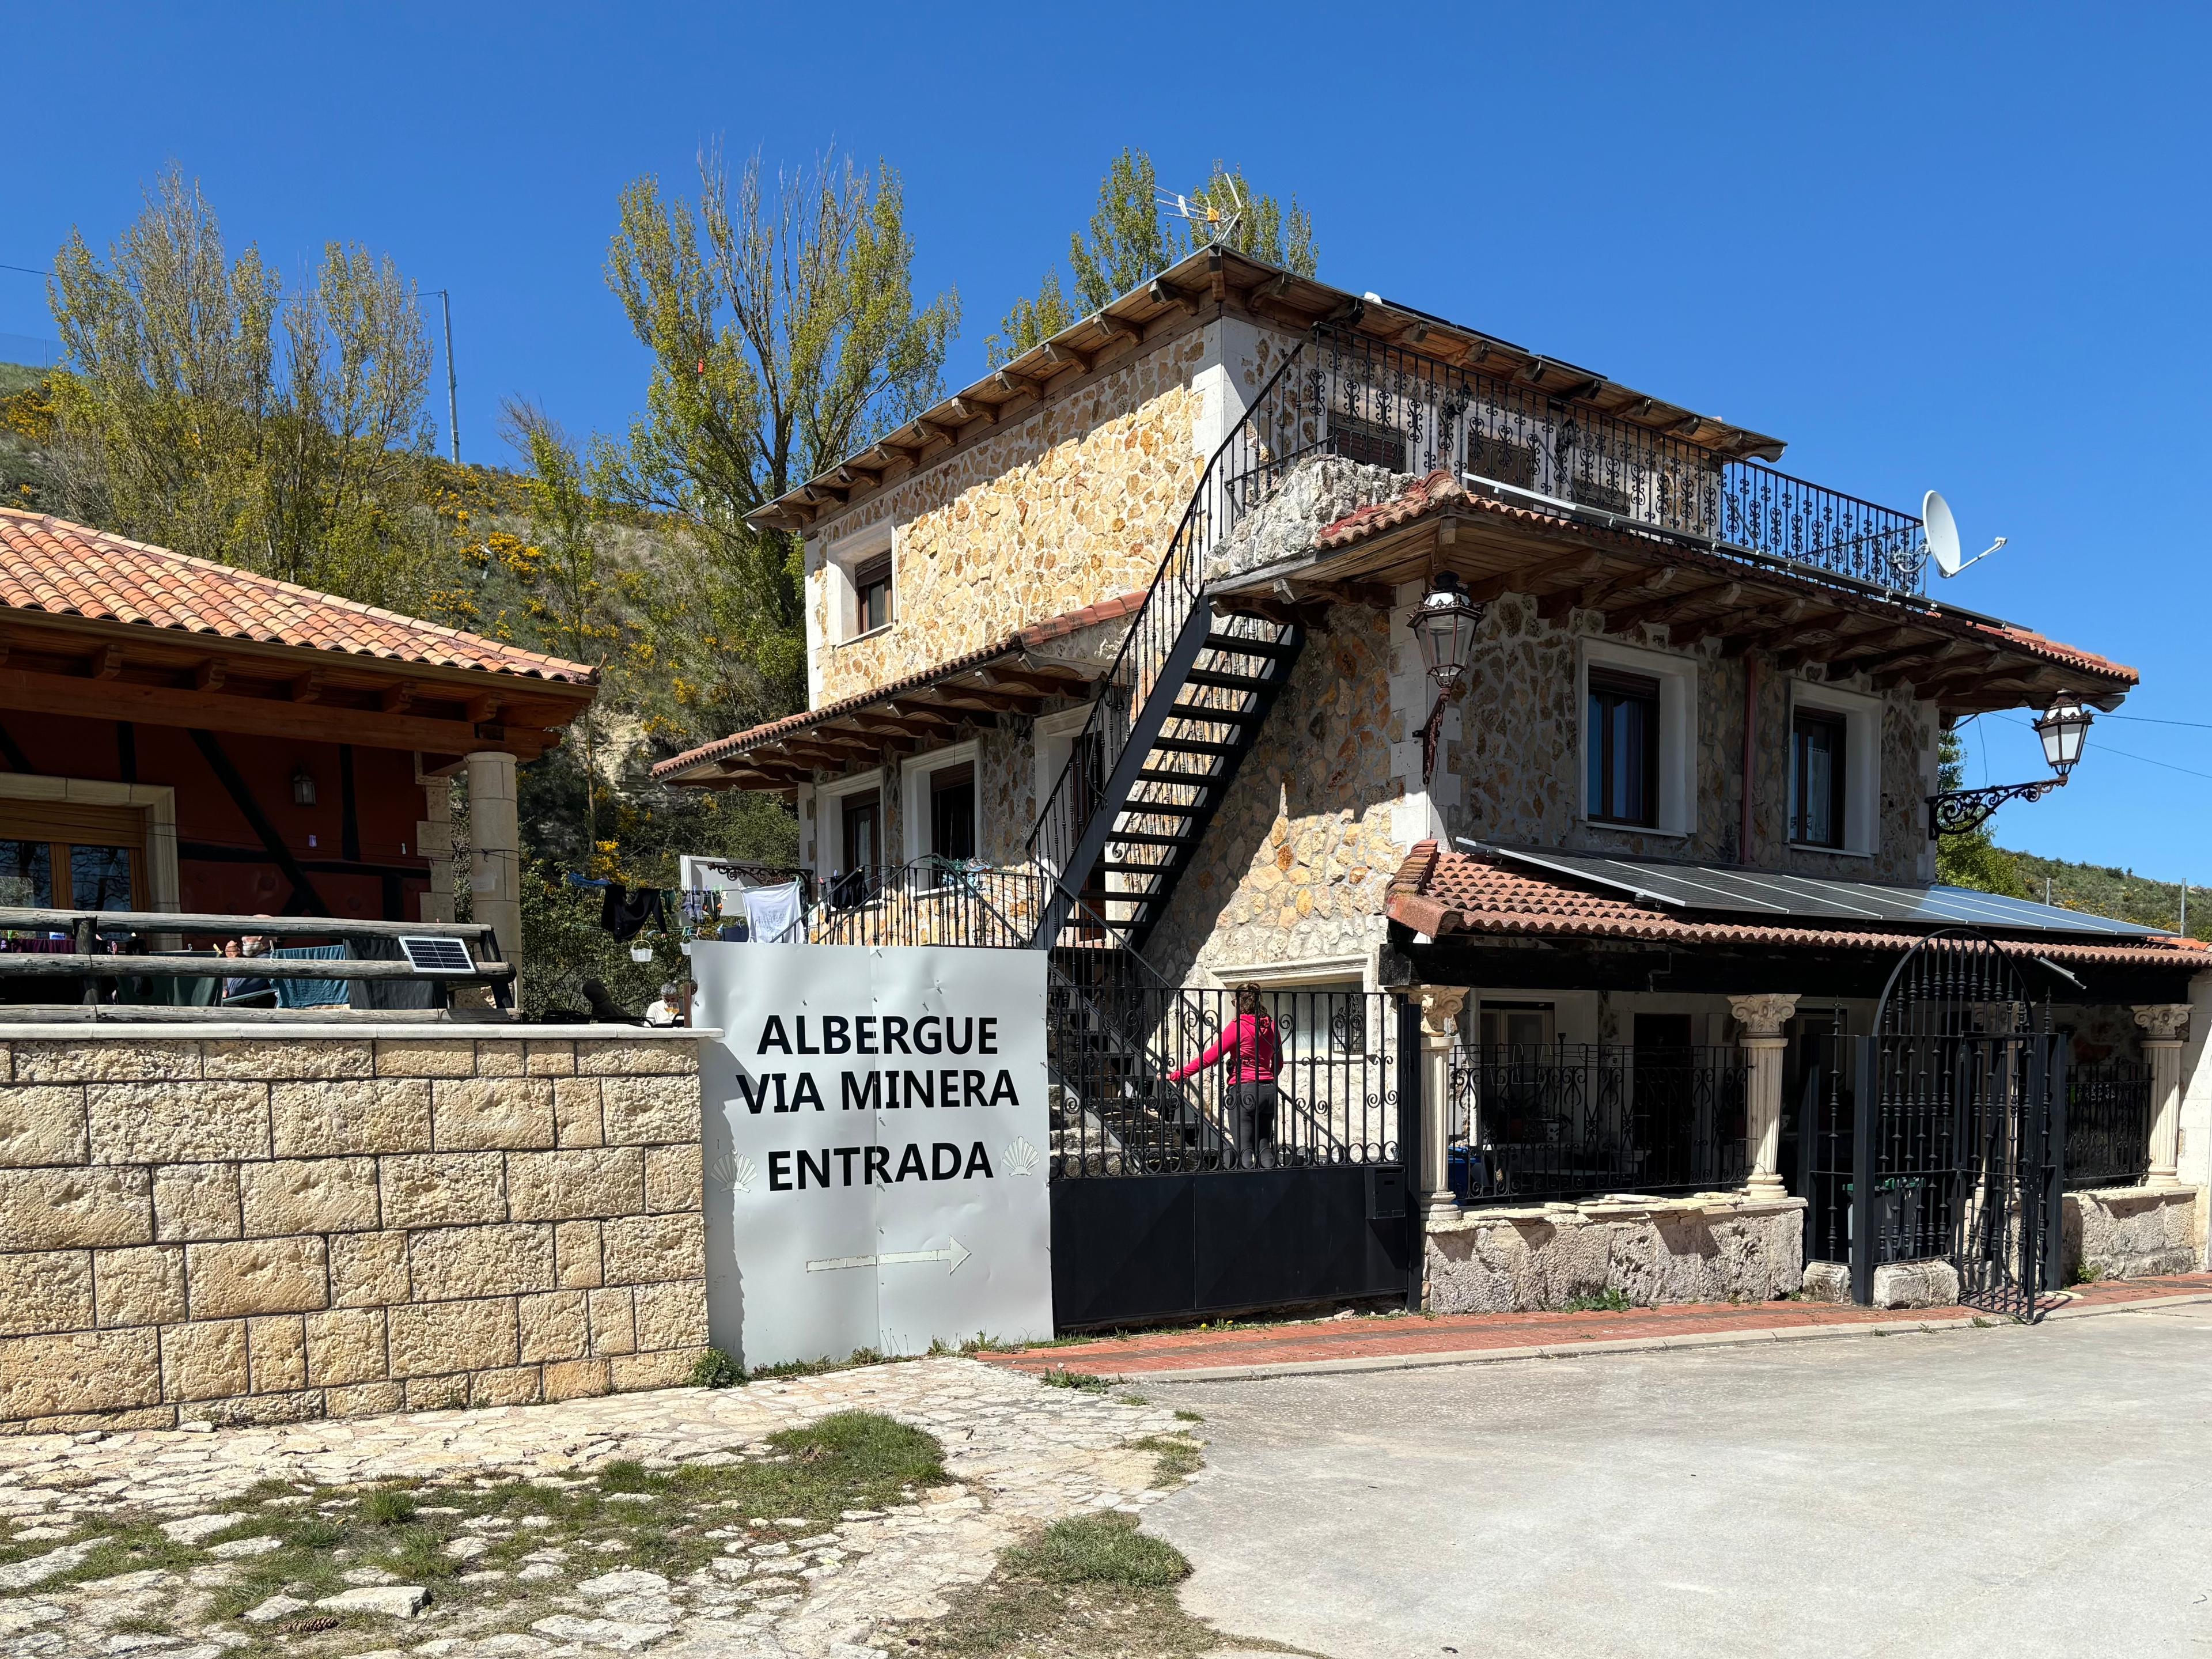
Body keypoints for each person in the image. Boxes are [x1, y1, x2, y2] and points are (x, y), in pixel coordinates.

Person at [1168, 983, 1282, 1168]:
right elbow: (1279, 1064)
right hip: (1269, 1091)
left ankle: (1248, 1194)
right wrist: (1265, 1077)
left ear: (1240, 1002)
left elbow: (1209, 1058)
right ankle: (1272, 1191)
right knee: (1265, 1147)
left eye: (1234, 1001)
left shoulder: (1238, 1027)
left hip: (1245, 1090)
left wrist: (1177, 1075)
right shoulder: (1272, 1026)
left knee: (1244, 1150)